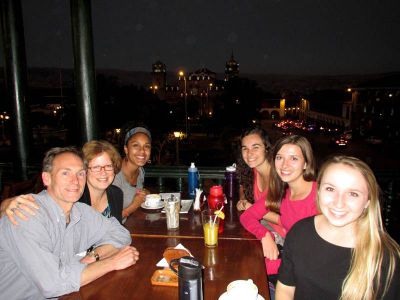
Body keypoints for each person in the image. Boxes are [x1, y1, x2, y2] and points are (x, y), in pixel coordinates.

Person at [0, 147, 139, 299]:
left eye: (80, 173)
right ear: (47, 178)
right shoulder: (25, 214)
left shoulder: (80, 211)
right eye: (65, 173)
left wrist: (94, 256)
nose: (75, 181)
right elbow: (53, 284)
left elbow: (121, 233)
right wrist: (112, 262)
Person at [276, 156, 400, 300]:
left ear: (367, 201)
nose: (339, 203)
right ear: (318, 191)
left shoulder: (387, 258)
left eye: (353, 194)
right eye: (330, 189)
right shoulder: (300, 232)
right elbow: (285, 289)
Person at [241, 135, 318, 276]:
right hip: (289, 262)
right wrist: (265, 235)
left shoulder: (319, 197)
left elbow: (314, 257)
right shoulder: (281, 190)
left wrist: (267, 267)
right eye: (279, 157)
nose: (284, 165)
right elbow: (247, 216)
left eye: (293, 158)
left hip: (306, 275)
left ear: (306, 163)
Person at [1, 140, 124, 224]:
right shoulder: (73, 193)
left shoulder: (116, 194)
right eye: (96, 167)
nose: (103, 172)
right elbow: (42, 202)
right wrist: (6, 204)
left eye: (108, 166)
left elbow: (117, 230)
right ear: (84, 170)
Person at [112, 126, 152, 220]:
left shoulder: (140, 171)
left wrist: (146, 193)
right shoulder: (114, 175)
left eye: (146, 146)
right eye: (135, 145)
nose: (142, 151)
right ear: (126, 149)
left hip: (134, 226)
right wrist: (134, 206)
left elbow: (136, 195)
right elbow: (107, 219)